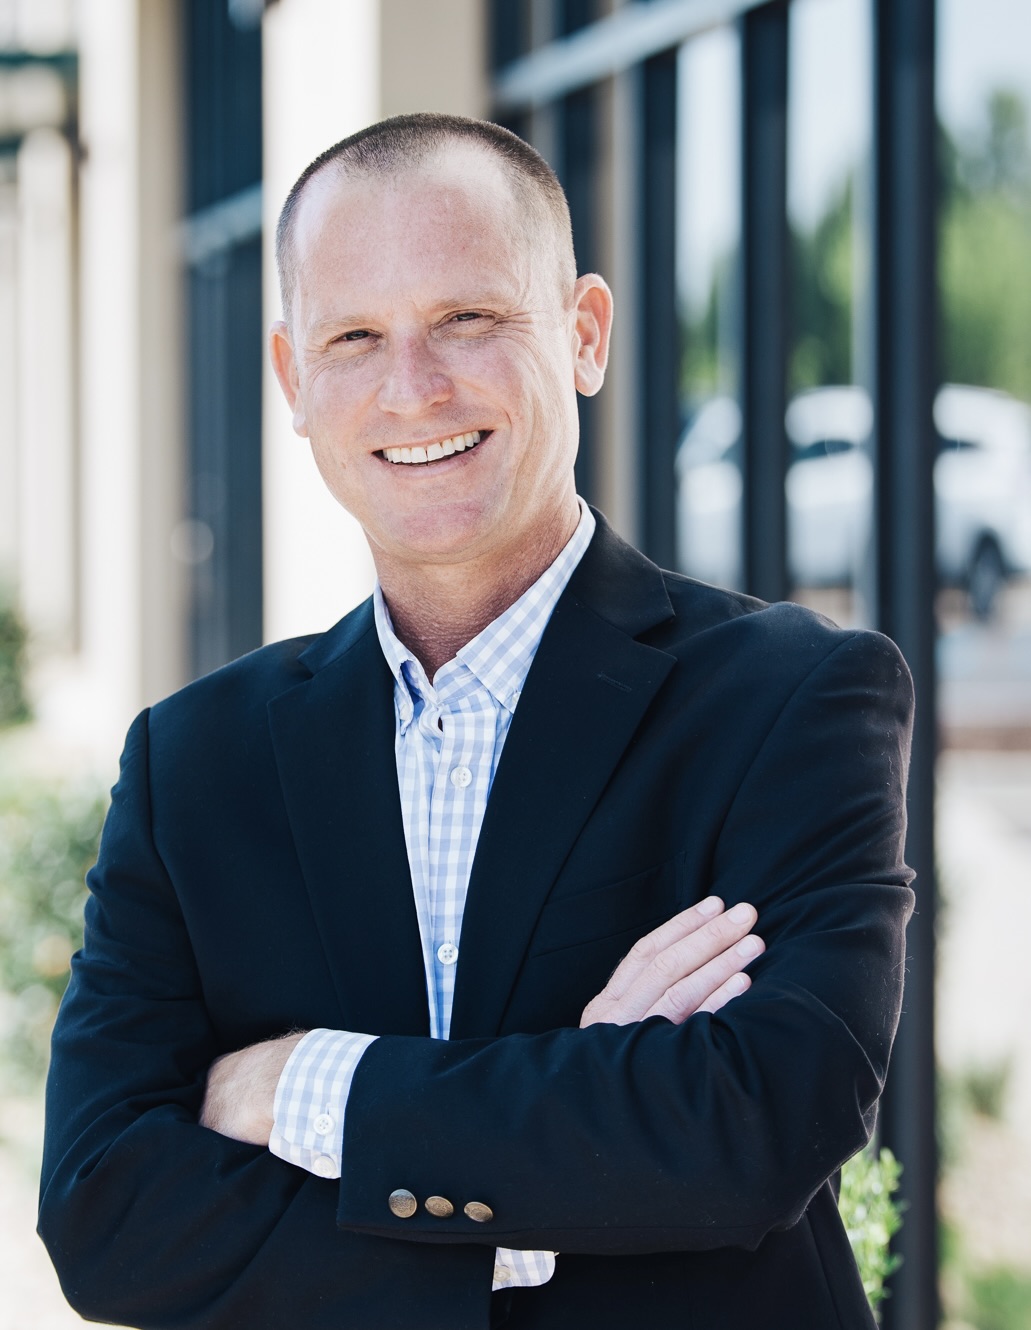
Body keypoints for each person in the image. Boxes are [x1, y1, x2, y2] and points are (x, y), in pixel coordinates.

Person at [39, 113, 915, 1330]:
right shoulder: (194, 763)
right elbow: (106, 1217)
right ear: (295, 382)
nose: (413, 388)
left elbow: (757, 1120)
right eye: (355, 336)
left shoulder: (789, 700)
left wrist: (305, 1089)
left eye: (466, 318)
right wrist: (571, 1136)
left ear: (583, 334)